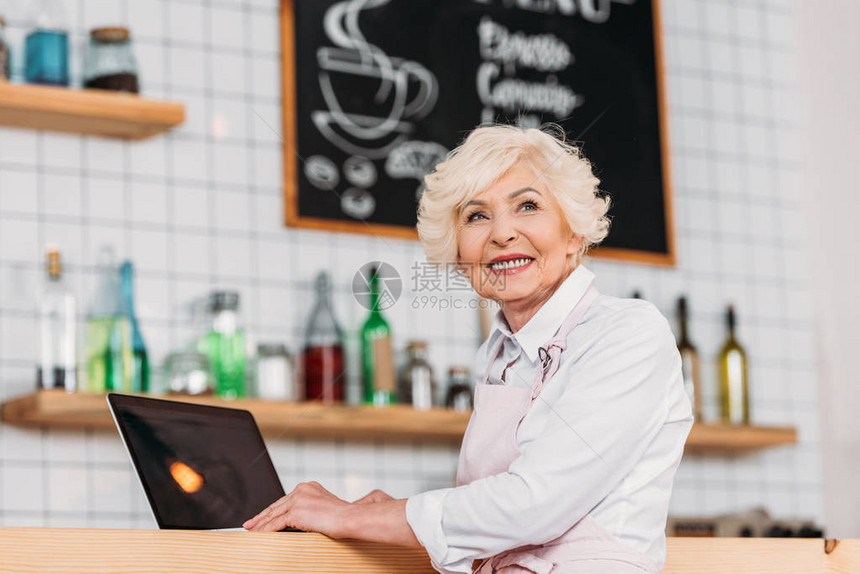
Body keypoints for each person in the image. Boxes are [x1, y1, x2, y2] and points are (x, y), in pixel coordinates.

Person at [244, 125, 693, 573]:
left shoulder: (627, 333)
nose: (502, 234)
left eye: (528, 206)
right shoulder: (498, 354)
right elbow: (493, 526)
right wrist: (391, 515)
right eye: (476, 216)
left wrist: (358, 516)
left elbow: (533, 505)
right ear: (459, 255)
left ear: (575, 234)